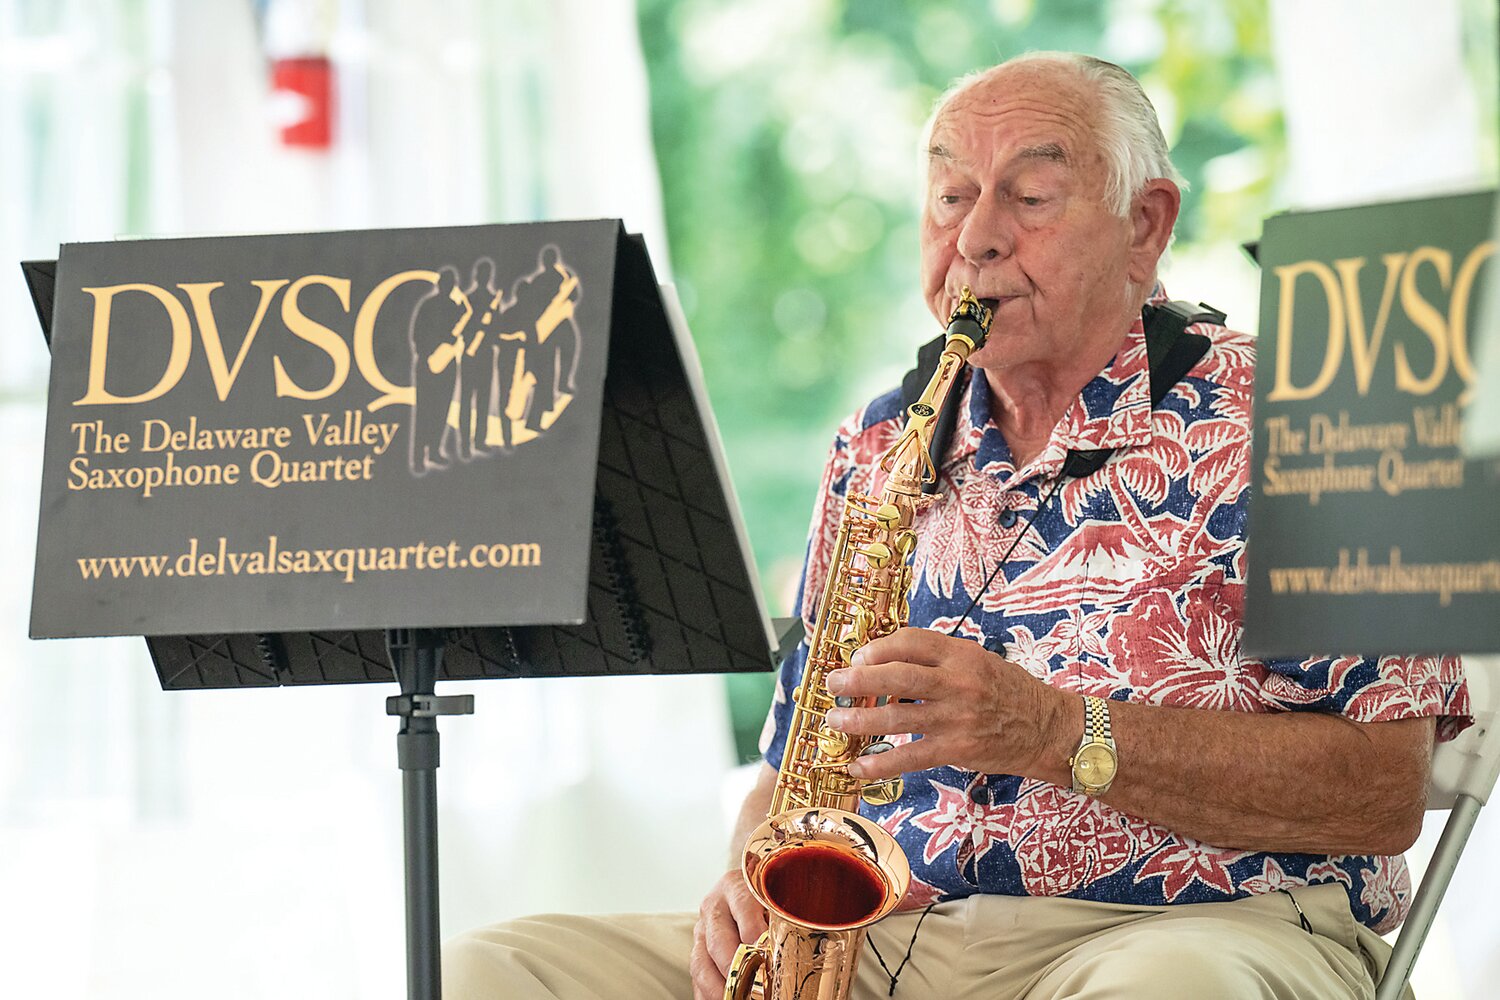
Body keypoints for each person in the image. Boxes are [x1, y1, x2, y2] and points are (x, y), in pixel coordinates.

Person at [442, 52, 1469, 1000]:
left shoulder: (1310, 411)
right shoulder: (877, 442)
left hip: (1212, 926)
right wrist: (742, 882)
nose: (976, 235)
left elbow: (1383, 792)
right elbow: (790, 769)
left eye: (1028, 196)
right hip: (895, 929)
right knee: (491, 969)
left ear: (1146, 223)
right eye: (949, 197)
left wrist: (1060, 731)